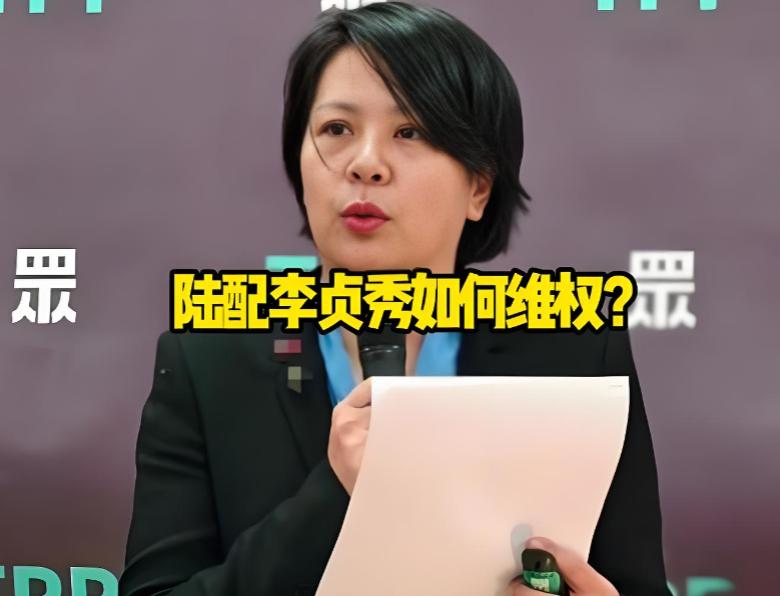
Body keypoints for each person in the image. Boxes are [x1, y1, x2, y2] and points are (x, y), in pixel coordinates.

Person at [118, 3, 672, 595]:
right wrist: (334, 494)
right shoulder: (209, 356)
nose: (365, 165)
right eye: (336, 129)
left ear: (479, 186)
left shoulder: (575, 354)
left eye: (410, 132)